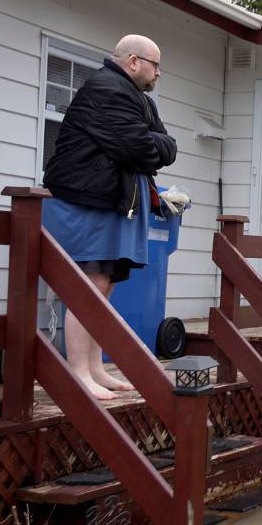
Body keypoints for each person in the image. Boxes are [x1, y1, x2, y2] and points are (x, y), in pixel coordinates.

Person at [41, 35, 176, 400]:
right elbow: (141, 148)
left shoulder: (137, 99)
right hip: (87, 203)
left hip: (112, 202)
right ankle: (78, 372)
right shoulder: (108, 90)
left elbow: (166, 146)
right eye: (155, 65)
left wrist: (152, 142)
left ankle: (96, 368)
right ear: (133, 62)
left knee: (106, 286)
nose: (158, 73)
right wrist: (150, 142)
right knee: (90, 286)